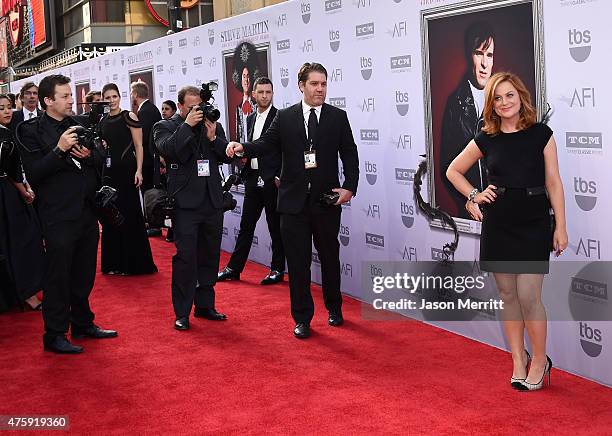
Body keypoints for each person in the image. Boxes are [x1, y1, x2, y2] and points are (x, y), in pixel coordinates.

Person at [446, 72, 568, 391]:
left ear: (521, 97)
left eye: (509, 95)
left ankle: (540, 360)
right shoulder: (487, 137)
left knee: (529, 296)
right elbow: (453, 171)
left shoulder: (541, 133)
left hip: (533, 222)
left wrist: (562, 227)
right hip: (499, 222)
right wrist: (473, 195)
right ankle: (518, 359)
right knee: (508, 295)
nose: (504, 103)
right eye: (497, 98)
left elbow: (554, 182)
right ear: (491, 104)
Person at [227, 62, 359, 339]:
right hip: (292, 203)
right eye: (314, 84)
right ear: (301, 86)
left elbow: (350, 154)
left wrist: (349, 188)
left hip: (325, 202)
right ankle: (302, 318)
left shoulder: (337, 117)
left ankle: (334, 308)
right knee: (298, 264)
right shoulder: (285, 117)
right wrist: (244, 147)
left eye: (323, 83)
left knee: (330, 258)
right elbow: (266, 144)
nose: (320, 89)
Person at [17, 74, 117, 354]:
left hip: (86, 210)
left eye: (71, 95)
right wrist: (60, 150)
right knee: (58, 275)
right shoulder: (30, 130)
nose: (71, 99)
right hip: (57, 214)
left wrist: (89, 155)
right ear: (48, 101)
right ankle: (55, 334)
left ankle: (83, 323)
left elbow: (99, 159)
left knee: (84, 272)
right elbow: (35, 174)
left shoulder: (80, 124)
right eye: (65, 96)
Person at [153, 85, 233, 331]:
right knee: (186, 258)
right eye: (192, 108)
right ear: (180, 107)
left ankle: (205, 305)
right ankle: (182, 312)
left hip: (211, 201)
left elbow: (227, 156)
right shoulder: (165, 125)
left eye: (200, 107)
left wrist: (213, 138)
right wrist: (187, 124)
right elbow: (169, 150)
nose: (198, 112)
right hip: (185, 204)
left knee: (210, 255)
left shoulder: (211, 125)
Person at [218, 77, 285, 285]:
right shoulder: (249, 119)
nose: (265, 96)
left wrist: (279, 176)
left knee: (276, 228)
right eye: (261, 92)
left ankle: (277, 269)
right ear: (253, 94)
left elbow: (286, 151)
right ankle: (234, 268)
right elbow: (248, 148)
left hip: (271, 181)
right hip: (252, 180)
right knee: (246, 226)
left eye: (269, 92)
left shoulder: (280, 118)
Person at [98, 83, 157, 275]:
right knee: (111, 217)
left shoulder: (128, 116)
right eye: (107, 97)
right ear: (103, 99)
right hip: (109, 174)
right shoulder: (103, 120)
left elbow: (139, 146)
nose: (111, 100)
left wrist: (139, 170)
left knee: (129, 214)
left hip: (128, 172)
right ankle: (114, 263)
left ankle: (133, 264)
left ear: (119, 97)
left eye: (114, 96)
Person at [440, 21, 495, 219]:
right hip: (473, 214)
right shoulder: (455, 103)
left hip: (505, 208)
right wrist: (469, 197)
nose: (484, 63)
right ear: (468, 55)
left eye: (489, 55)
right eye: (478, 53)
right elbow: (447, 168)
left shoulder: (506, 100)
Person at [0, 94, 44, 313]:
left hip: (7, 192)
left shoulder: (8, 133)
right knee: (24, 240)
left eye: (9, 107)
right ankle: (26, 294)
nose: (7, 111)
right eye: (1, 108)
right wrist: (25, 192)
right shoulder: (5, 136)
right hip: (7, 195)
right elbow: (11, 171)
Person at [131, 81, 163, 237]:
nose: (131, 96)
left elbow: (142, 139)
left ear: (136, 94)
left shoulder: (145, 111)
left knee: (149, 192)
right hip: (151, 158)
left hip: (148, 160)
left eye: (132, 93)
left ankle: (154, 224)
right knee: (149, 191)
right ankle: (152, 222)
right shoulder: (151, 108)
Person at [232, 42, 259, 143]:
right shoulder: (238, 107)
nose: (246, 80)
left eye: (248, 76)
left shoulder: (258, 105)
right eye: (244, 76)